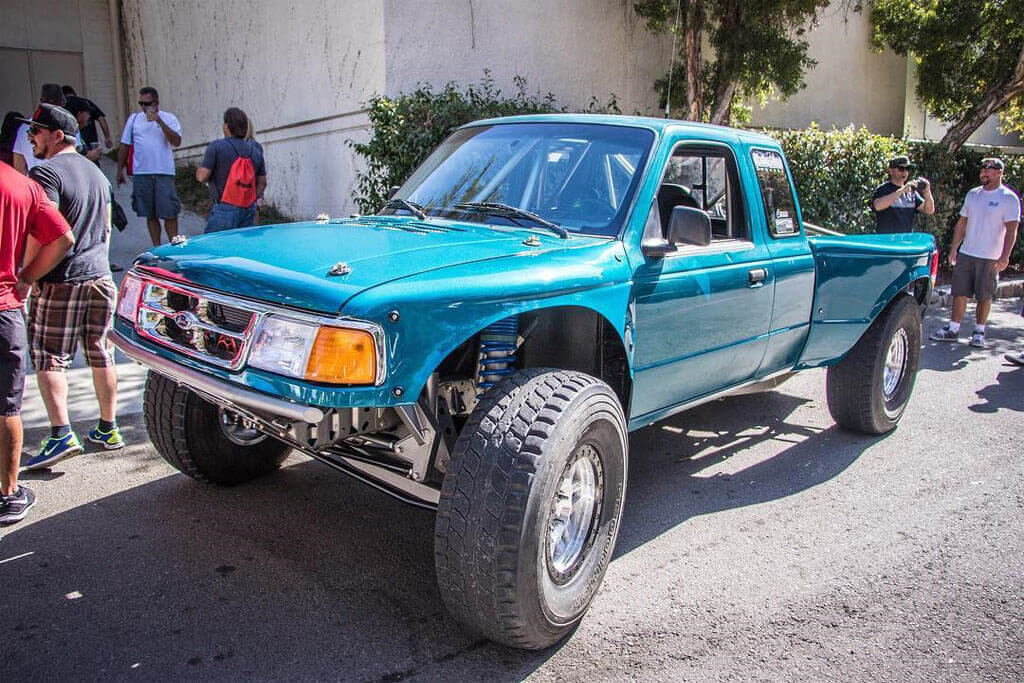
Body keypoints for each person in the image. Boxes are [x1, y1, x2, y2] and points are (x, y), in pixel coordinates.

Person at [14, 105, 125, 471]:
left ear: (57, 135)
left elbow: (45, 230)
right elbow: (106, 229)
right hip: (100, 276)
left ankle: (61, 434)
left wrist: (27, 276)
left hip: (61, 280)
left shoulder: (45, 172)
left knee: (48, 356)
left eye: (37, 132)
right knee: (100, 352)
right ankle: (108, 429)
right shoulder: (96, 172)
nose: (31, 138)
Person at [0, 159, 75, 524]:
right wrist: (27, 277)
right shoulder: (21, 185)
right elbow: (62, 238)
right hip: (3, 308)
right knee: (6, 407)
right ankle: (9, 493)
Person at [930, 158, 1020, 349]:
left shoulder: (1008, 198)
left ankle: (979, 332)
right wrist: (955, 248)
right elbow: (962, 223)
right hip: (967, 252)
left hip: (990, 256)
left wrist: (1005, 256)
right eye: (982, 169)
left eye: (989, 170)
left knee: (984, 295)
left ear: (999, 173)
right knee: (959, 292)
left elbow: (1012, 230)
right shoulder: (973, 195)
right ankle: (953, 329)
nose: (984, 173)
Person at [116, 86, 182, 245]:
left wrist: (160, 121)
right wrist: (120, 170)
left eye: (148, 103)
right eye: (142, 104)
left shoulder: (169, 118)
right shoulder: (134, 119)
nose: (145, 107)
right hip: (142, 173)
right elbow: (124, 145)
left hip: (164, 172)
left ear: (156, 102)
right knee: (150, 214)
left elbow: (177, 141)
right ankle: (157, 247)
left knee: (170, 213)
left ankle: (174, 246)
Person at [196, 107, 266, 232]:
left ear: (226, 127)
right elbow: (262, 183)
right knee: (244, 248)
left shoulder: (217, 146)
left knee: (217, 248)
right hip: (248, 210)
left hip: (224, 208)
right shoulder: (255, 151)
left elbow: (202, 176)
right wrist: (251, 199)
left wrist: (200, 169)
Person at [871, 155, 935, 233]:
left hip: (905, 242)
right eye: (901, 169)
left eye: (907, 169)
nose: (905, 172)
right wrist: (902, 190)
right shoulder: (883, 189)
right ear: (891, 171)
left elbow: (929, 210)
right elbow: (878, 206)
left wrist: (927, 192)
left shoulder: (911, 192)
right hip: (887, 241)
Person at [12, 83, 64, 175]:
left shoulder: (24, 128)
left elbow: (19, 166)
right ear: (62, 103)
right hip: (61, 185)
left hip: (34, 184)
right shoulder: (67, 126)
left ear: (41, 102)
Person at [62, 85, 113, 151]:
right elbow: (101, 119)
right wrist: (107, 137)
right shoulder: (86, 102)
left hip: (72, 143)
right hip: (91, 141)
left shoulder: (63, 105)